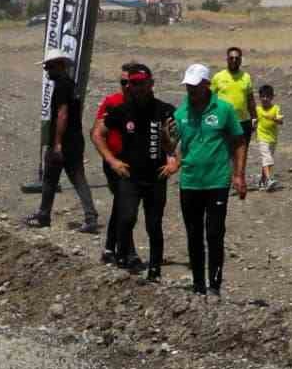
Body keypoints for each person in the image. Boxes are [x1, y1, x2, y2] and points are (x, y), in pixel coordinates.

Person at [168, 63, 247, 297]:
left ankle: (215, 284)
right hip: (190, 182)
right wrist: (167, 142)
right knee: (193, 234)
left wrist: (239, 174)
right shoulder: (181, 113)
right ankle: (198, 285)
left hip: (217, 182)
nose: (190, 91)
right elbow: (172, 147)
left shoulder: (224, 109)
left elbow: (239, 142)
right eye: (187, 86)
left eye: (194, 86)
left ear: (206, 85)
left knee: (214, 233)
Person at [92, 65, 175, 283]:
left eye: (140, 83)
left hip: (156, 176)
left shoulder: (164, 110)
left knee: (153, 224)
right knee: (126, 217)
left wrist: (174, 160)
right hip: (130, 176)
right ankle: (121, 259)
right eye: (132, 83)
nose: (135, 87)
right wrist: (112, 161)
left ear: (151, 84)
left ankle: (155, 270)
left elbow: (185, 137)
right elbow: (97, 133)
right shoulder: (122, 110)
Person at [25, 45, 100, 234]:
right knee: (70, 178)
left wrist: (57, 143)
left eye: (49, 67)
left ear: (59, 65)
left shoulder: (62, 86)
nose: (46, 71)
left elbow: (62, 114)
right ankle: (87, 217)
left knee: (57, 178)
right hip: (75, 140)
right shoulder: (70, 84)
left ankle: (45, 215)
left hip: (64, 142)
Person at [96, 63, 140, 266]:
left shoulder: (143, 104)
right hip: (114, 163)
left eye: (129, 82)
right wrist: (110, 159)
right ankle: (127, 251)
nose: (126, 86)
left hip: (135, 163)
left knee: (122, 205)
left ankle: (110, 247)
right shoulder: (111, 102)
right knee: (123, 204)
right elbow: (97, 132)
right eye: (122, 82)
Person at [210, 47, 255, 150]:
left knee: (241, 153)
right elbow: (210, 99)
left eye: (237, 58)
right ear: (227, 59)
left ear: (240, 60)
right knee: (224, 153)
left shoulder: (246, 77)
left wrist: (254, 118)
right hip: (224, 122)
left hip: (243, 122)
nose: (234, 60)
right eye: (231, 58)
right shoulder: (218, 77)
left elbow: (250, 99)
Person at [254, 84, 282, 190]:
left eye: (267, 96)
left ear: (272, 97)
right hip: (262, 137)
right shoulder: (258, 109)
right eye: (263, 96)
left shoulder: (276, 108)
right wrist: (253, 124)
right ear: (260, 97)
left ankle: (262, 180)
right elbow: (254, 120)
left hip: (273, 138)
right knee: (267, 158)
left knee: (267, 161)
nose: (265, 99)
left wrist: (274, 119)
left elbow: (281, 121)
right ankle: (269, 180)